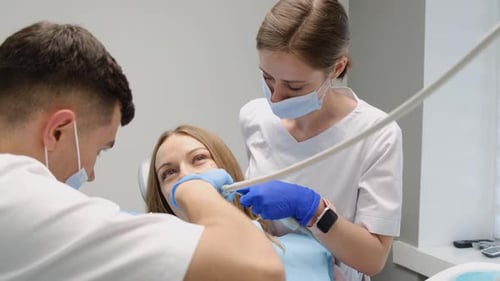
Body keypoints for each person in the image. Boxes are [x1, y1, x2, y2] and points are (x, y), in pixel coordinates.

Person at [0, 21, 284, 281]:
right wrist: (194, 189)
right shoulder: (25, 199)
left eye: (199, 159)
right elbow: (258, 268)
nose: (90, 173)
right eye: (100, 150)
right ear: (58, 130)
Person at [238, 0, 403, 280]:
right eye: (267, 77)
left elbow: (373, 259)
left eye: (294, 86)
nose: (275, 97)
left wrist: (314, 210)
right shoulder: (254, 117)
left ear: (336, 69)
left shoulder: (377, 133)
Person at [146, 124, 336, 281]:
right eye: (169, 173)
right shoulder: (161, 270)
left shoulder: (309, 251)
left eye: (199, 158)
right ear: (162, 199)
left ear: (224, 166)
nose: (186, 176)